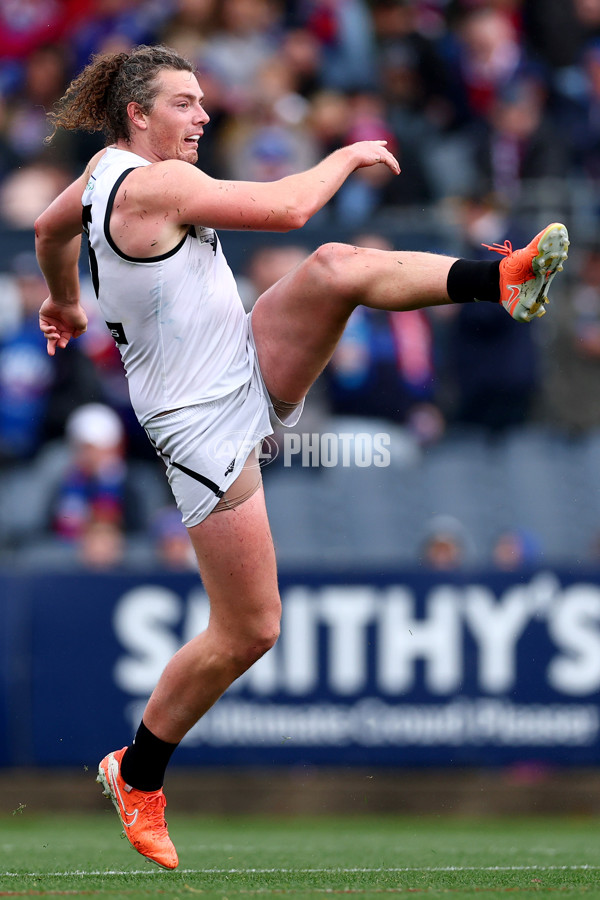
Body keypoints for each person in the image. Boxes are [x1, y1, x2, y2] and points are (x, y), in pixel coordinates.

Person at [34, 44, 569, 870]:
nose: (203, 115)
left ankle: (501, 278)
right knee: (250, 630)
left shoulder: (102, 174)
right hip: (202, 429)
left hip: (240, 360)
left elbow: (47, 228)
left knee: (335, 268)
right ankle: (137, 773)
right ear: (137, 115)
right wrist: (347, 153)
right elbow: (288, 209)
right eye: (183, 103)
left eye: (202, 100)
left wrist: (65, 300)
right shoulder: (154, 185)